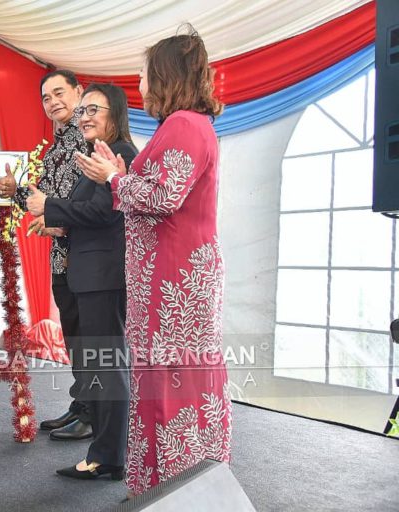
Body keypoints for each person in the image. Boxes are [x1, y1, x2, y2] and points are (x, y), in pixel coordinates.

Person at [77, 28, 232, 494]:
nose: (139, 84)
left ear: (164, 75)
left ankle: (182, 487)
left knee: (175, 384)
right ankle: (163, 485)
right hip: (169, 275)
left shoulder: (184, 124)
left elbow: (165, 196)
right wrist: (121, 174)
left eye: (144, 74)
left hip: (175, 280)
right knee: (164, 379)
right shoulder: (184, 125)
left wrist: (114, 179)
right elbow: (164, 190)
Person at [28, 83, 137, 479]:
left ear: (116, 113)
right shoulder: (97, 155)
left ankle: (108, 457)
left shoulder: (120, 153)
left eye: (95, 109)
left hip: (104, 276)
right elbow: (91, 210)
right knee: (101, 365)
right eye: (84, 110)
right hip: (90, 274)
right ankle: (105, 454)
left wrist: (50, 206)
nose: (85, 116)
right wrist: (56, 218)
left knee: (107, 366)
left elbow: (105, 212)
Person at [0, 69, 93, 441]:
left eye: (59, 93)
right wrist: (15, 191)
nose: (53, 102)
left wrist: (58, 218)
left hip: (88, 255)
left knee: (90, 337)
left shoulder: (90, 138)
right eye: (46, 98)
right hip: (62, 258)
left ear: (79, 92)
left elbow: (94, 203)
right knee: (74, 337)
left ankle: (95, 411)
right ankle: (82, 404)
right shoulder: (54, 149)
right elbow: (44, 204)